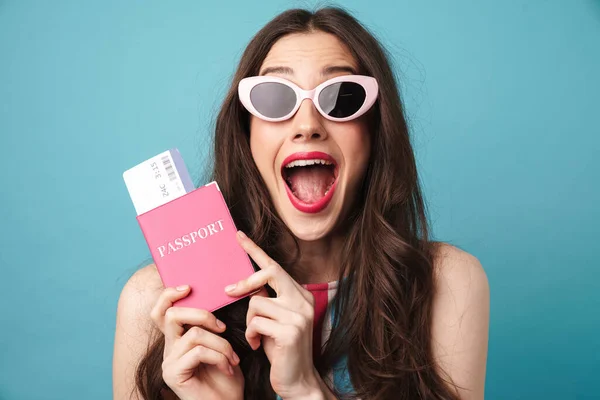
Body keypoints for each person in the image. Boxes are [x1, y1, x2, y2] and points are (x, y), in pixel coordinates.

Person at [113, 6, 490, 400]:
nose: (307, 124)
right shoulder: (155, 305)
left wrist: (307, 391)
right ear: (246, 134)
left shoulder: (444, 283)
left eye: (342, 99)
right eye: (275, 99)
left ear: (377, 130)